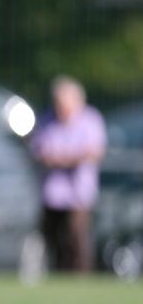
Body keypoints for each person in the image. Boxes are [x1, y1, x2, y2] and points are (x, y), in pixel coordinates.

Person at [30, 76, 106, 272]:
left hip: (78, 194)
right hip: (52, 194)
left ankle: (80, 278)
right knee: (53, 239)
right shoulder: (47, 120)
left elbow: (93, 151)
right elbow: (40, 151)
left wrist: (64, 158)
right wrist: (68, 157)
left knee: (76, 239)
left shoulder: (91, 119)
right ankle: (57, 276)